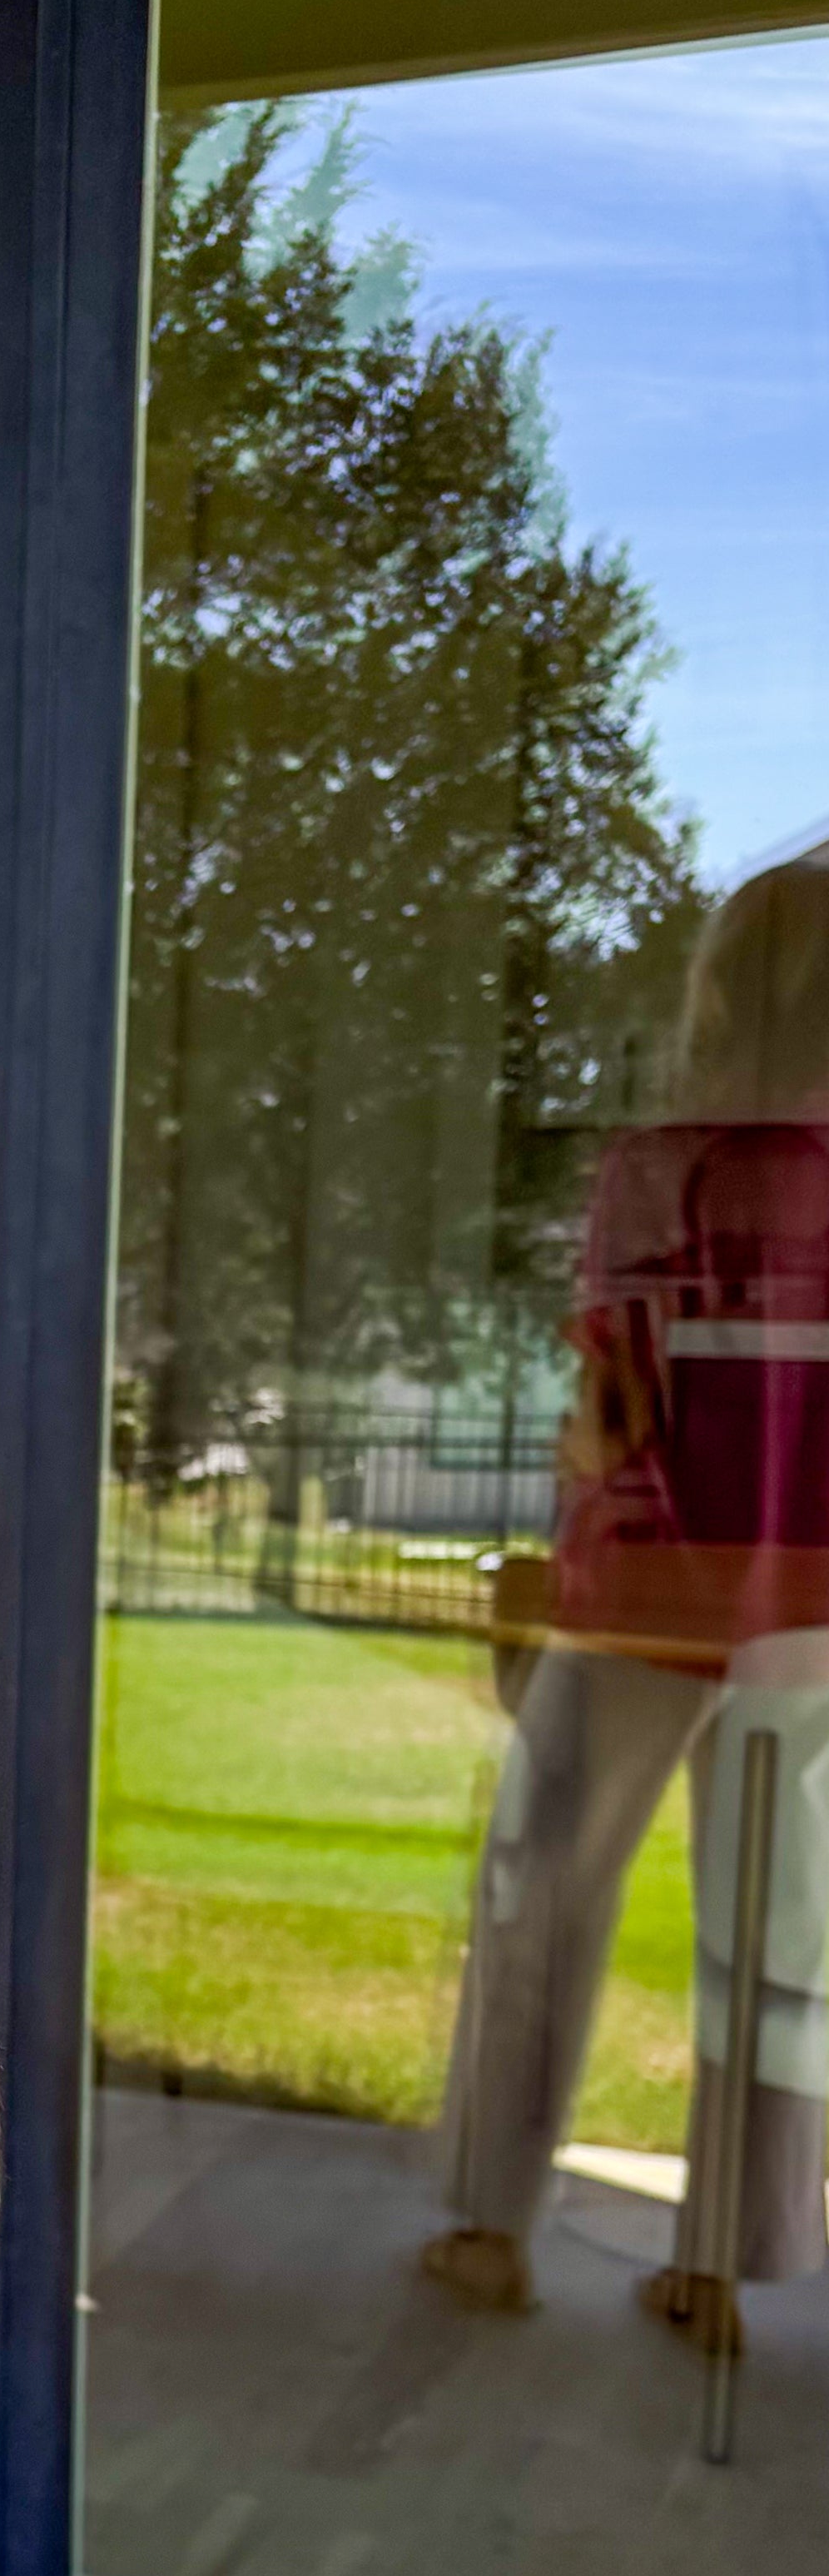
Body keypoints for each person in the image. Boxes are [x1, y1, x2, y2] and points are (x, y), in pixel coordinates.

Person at [426, 848, 829, 2346]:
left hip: (643, 1595)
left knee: (543, 1894)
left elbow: (610, 1424)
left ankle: (488, 2227)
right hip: (813, 1615)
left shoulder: (663, 1164)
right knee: (777, 1933)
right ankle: (720, 2263)